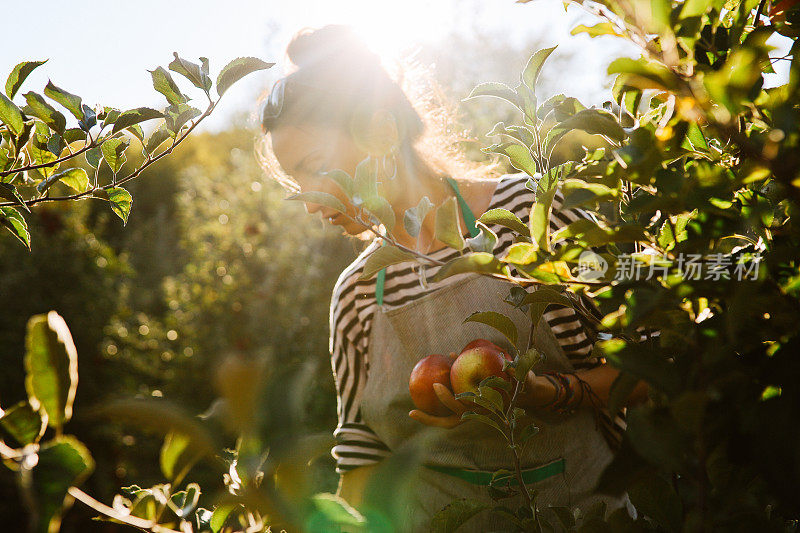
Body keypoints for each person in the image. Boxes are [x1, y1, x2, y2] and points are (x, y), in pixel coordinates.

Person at [256, 23, 649, 532]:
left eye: (313, 167)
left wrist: (546, 394)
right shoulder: (356, 294)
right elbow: (361, 454)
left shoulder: (530, 215)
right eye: (294, 181)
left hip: (589, 517)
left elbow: (657, 363)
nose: (307, 198)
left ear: (380, 132)